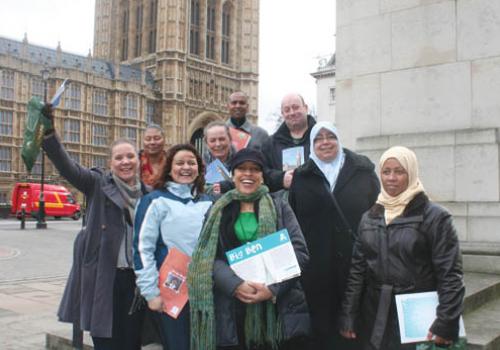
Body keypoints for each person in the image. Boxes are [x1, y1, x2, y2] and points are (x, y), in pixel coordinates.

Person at [41, 106, 146, 350]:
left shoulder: (148, 194)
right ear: (110, 163)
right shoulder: (97, 184)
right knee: (106, 342)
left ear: (138, 160)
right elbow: (67, 167)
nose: (125, 162)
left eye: (130, 156)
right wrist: (49, 133)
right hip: (105, 279)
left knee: (132, 342)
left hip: (137, 281)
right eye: (119, 158)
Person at [339, 146, 464, 350]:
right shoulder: (369, 217)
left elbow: (450, 274)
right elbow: (357, 272)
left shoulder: (435, 217)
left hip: (417, 317)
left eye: (399, 171)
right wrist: (349, 315)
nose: (391, 178)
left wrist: (446, 321)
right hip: (374, 314)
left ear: (412, 173)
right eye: (386, 172)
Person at [188, 148, 311, 350]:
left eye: (254, 169)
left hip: (275, 307)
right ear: (233, 174)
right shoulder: (218, 209)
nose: (248, 174)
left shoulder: (279, 206)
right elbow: (208, 257)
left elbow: (300, 252)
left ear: (262, 176)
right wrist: (235, 285)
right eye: (242, 169)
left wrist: (272, 289)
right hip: (231, 305)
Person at [288, 121, 379, 350]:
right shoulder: (301, 176)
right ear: (312, 144)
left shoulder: (362, 171)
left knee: (356, 333)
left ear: (339, 140)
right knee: (323, 334)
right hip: (316, 273)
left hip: (357, 270)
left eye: (331, 137)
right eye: (319, 138)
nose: (325, 142)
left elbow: (379, 214)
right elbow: (294, 221)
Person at [133, 144, 213, 350]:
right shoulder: (155, 201)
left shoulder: (209, 202)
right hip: (172, 291)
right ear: (169, 168)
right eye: (179, 163)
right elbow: (143, 249)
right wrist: (150, 293)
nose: (185, 167)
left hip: (205, 290)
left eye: (191, 163)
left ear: (199, 168)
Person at [261, 93, 316, 192]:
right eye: (287, 110)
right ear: (282, 114)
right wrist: (281, 179)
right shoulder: (270, 144)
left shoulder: (321, 138)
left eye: (296, 107)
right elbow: (262, 173)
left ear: (306, 108)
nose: (292, 113)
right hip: (281, 204)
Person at [203, 120, 236, 195]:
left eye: (222, 139)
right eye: (212, 140)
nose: (217, 144)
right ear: (206, 143)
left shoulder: (242, 163)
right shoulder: (199, 166)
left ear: (230, 139)